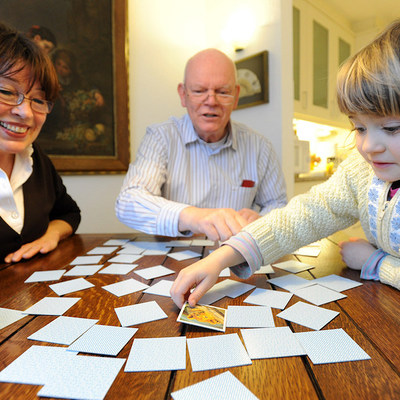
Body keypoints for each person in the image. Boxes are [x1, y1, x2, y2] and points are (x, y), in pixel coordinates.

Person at [170, 20, 400, 308]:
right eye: (359, 128)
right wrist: (221, 258)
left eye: (391, 128)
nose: (368, 147)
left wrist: (375, 262)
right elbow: (302, 216)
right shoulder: (361, 170)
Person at [116, 48, 287, 242]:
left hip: (235, 257)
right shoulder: (160, 138)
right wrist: (194, 217)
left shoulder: (260, 147)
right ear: (183, 95)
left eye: (223, 92)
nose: (211, 101)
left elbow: (278, 203)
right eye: (199, 91)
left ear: (236, 96)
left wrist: (263, 221)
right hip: (173, 257)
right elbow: (128, 202)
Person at [0, 22, 81, 263]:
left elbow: (69, 213)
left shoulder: (36, 159)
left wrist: (51, 235)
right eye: (6, 92)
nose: (25, 112)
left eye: (38, 100)